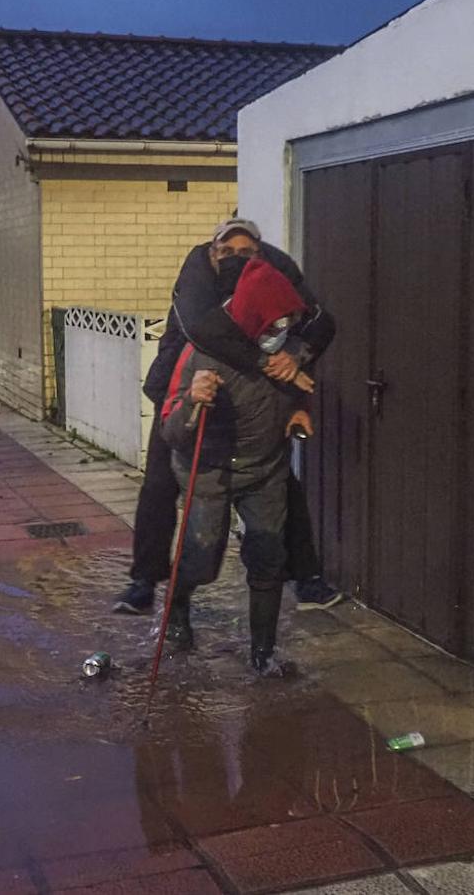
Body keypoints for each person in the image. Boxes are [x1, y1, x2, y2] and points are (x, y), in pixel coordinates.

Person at [114, 219, 339, 615]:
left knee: (279, 481)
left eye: (246, 252)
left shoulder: (274, 265)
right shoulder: (197, 271)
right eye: (226, 251)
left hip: (256, 397)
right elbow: (204, 331)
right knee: (160, 485)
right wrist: (267, 362)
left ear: (260, 251)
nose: (236, 259)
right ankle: (144, 580)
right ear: (212, 250)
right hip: (189, 386)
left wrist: (296, 358)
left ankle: (305, 576)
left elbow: (318, 321)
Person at [157, 258, 312, 677]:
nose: (282, 331)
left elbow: (299, 388)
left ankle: (263, 652)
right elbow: (171, 432)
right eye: (275, 322)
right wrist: (193, 400)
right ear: (253, 316)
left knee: (268, 558)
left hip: (264, 471)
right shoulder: (204, 356)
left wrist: (298, 410)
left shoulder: (290, 352)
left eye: (288, 323)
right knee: (202, 560)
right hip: (207, 473)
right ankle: (176, 609)